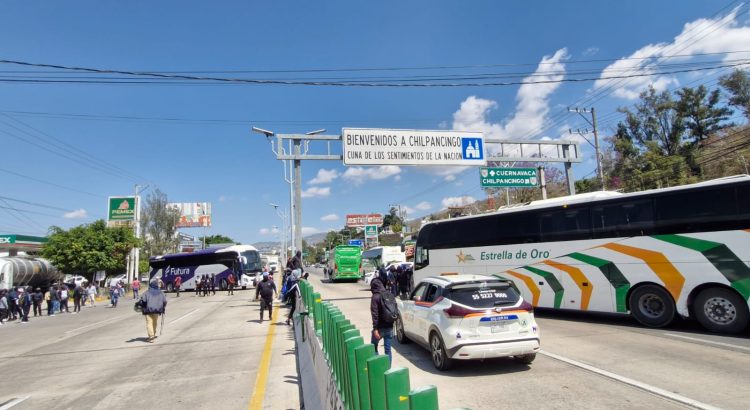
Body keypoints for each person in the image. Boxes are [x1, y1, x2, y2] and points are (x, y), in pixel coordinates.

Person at [370, 268, 395, 363]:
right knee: (388, 350)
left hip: (379, 328)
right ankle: (387, 369)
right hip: (389, 327)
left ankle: (378, 366)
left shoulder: (375, 297)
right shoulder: (389, 294)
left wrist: (375, 328)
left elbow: (375, 314)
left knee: (373, 346)